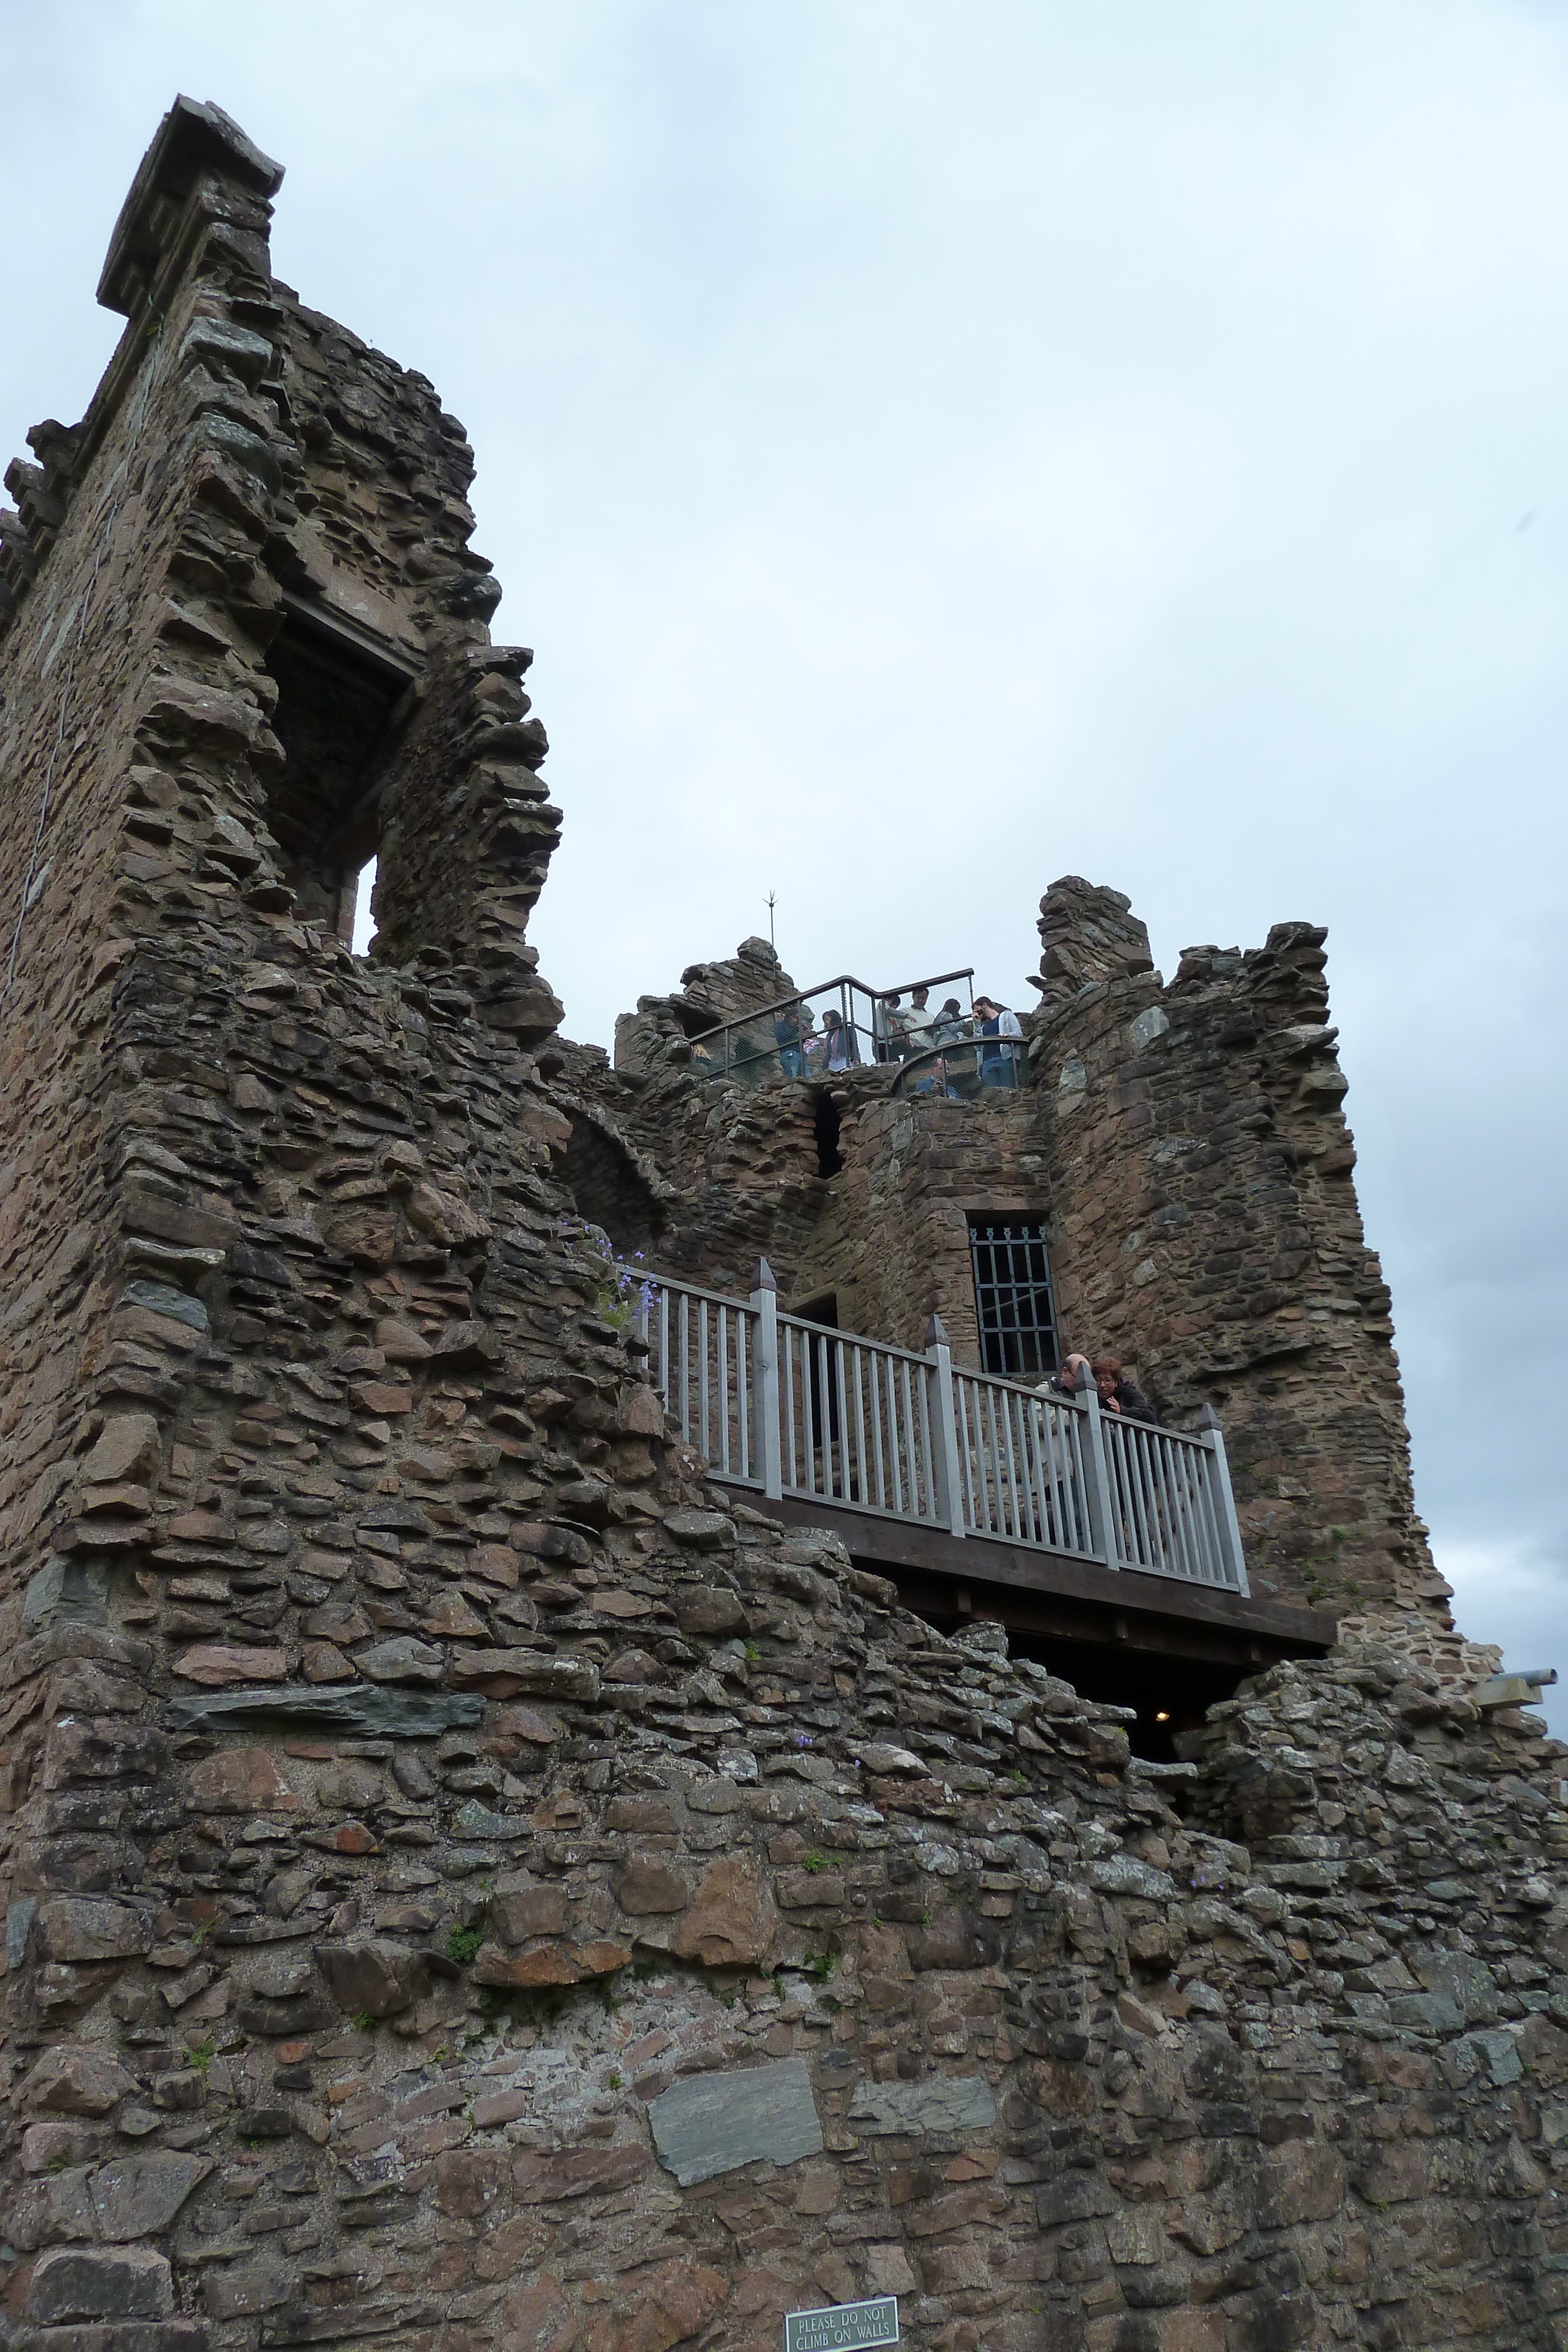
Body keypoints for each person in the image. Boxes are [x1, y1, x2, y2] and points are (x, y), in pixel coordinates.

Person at [1043, 1351, 1156, 1424]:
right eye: (1098, 1380)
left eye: (1108, 1380)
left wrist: (1122, 1411)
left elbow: (1149, 1416)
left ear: (1116, 1382)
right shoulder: (1093, 1397)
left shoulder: (1129, 1393)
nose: (1102, 1385)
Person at [973, 994, 1022, 1089]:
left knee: (1008, 1089)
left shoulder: (1006, 1015)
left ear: (985, 1005)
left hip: (1005, 1059)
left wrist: (1009, 1036)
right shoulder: (983, 1027)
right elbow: (978, 1047)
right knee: (992, 1093)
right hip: (987, 1062)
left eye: (978, 1011)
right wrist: (977, 1025)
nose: (977, 1014)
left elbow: (1018, 1033)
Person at [774, 1000, 805, 1080]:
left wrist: (806, 1034)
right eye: (794, 1018)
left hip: (801, 1055)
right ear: (789, 1017)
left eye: (798, 1019)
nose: (796, 1021)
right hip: (789, 1054)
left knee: (806, 1078)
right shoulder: (781, 1026)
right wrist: (796, 1030)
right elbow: (782, 1038)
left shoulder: (797, 1029)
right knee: (793, 1078)